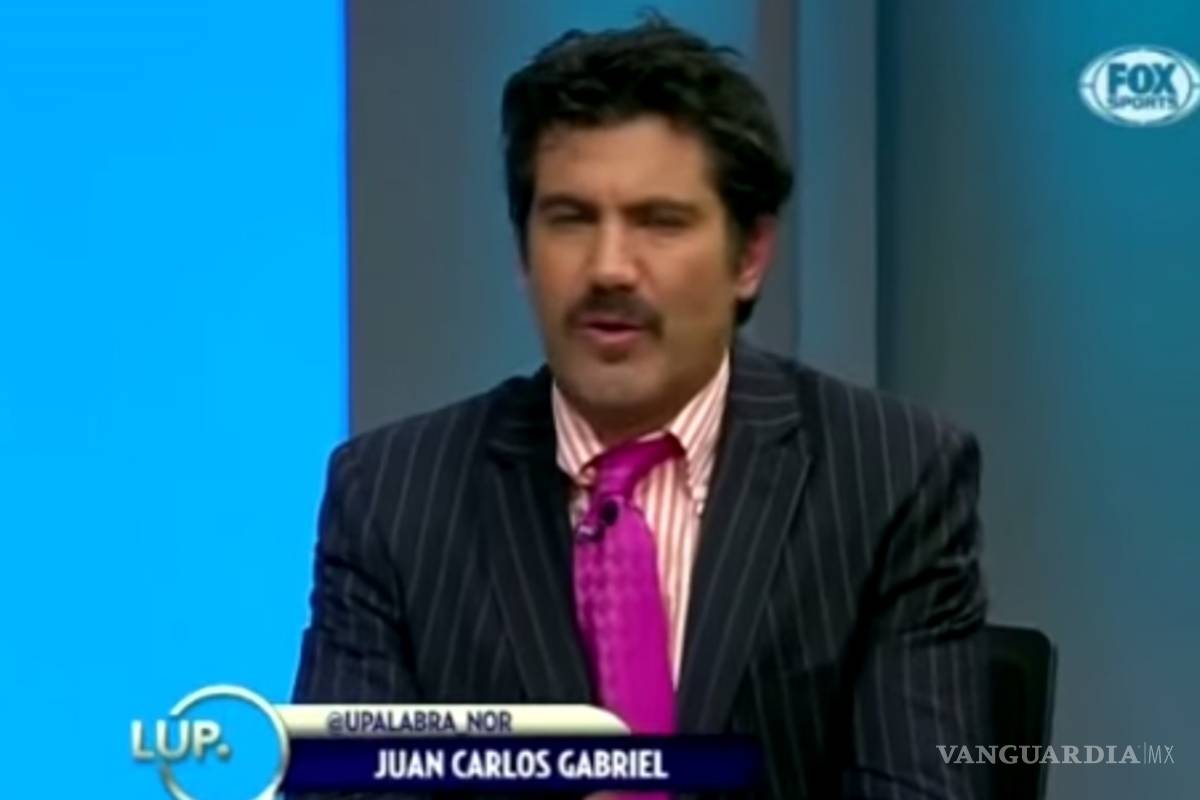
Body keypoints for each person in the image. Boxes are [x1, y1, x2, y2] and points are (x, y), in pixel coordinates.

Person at [293, 16, 990, 799]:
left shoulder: (889, 477)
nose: (609, 268)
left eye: (660, 221)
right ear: (524, 252)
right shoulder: (391, 496)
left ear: (749, 256)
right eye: (571, 219)